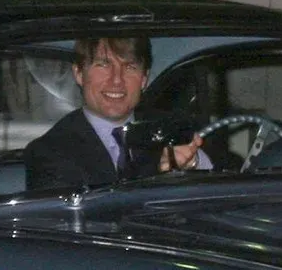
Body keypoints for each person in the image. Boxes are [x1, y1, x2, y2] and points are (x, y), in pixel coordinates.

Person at [23, 36, 208, 190]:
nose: (117, 80)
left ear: (144, 79)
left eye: (130, 67)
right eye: (104, 65)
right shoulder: (49, 151)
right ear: (79, 73)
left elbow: (226, 176)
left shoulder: (171, 128)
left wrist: (193, 163)